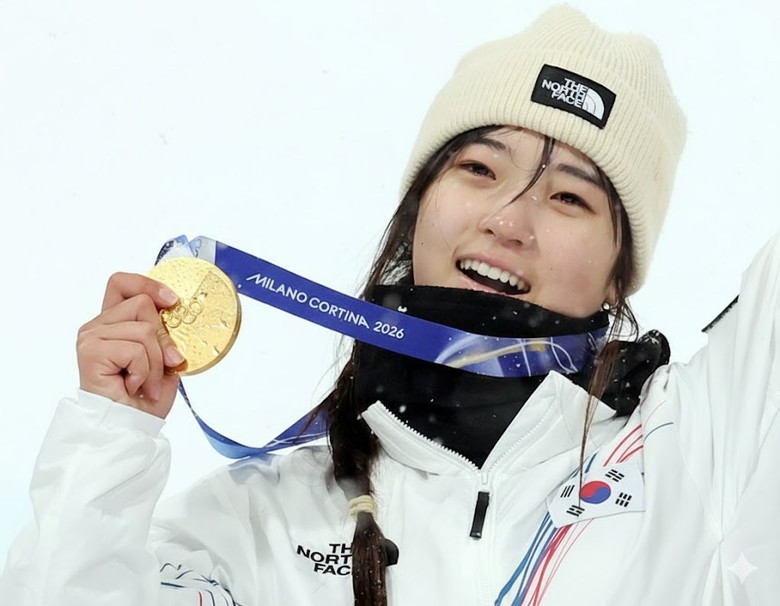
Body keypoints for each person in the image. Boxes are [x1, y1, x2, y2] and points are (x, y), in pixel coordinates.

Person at [2, 5, 778, 605]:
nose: (509, 219)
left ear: (619, 274)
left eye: (570, 197)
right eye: (480, 168)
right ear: (417, 209)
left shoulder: (705, 452)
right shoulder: (260, 525)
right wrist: (107, 441)